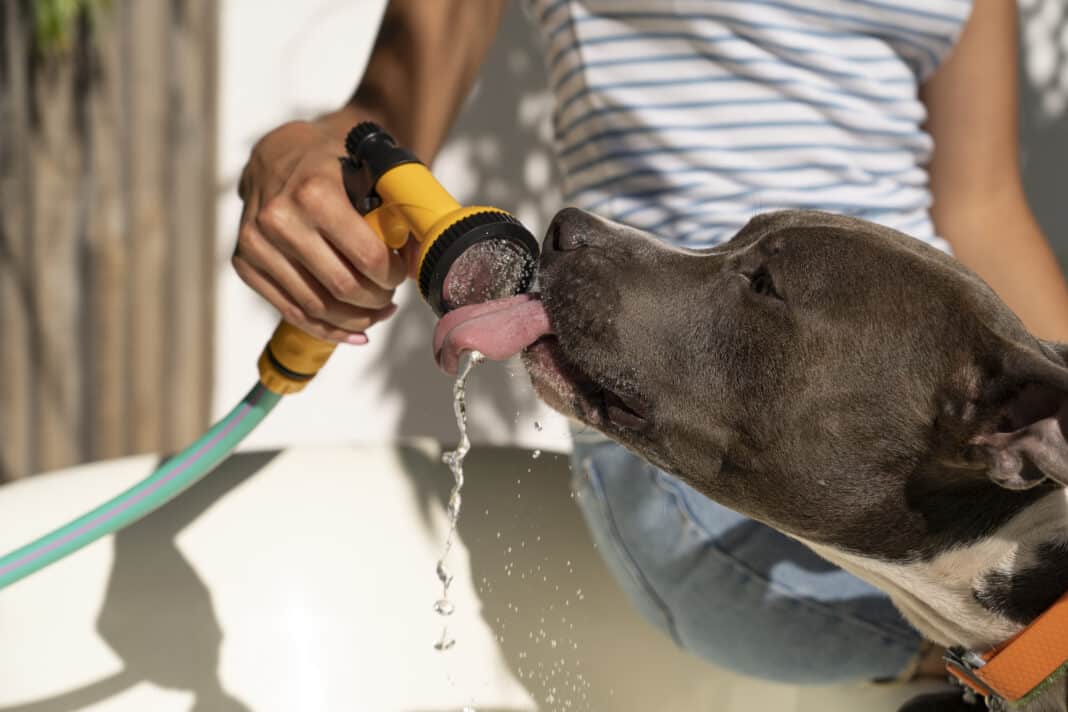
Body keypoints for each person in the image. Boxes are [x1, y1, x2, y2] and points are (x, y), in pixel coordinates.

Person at [233, 0, 1068, 685]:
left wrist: (1045, 420)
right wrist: (299, 153)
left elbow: (982, 208)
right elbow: (375, 117)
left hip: (912, 429)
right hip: (699, 419)